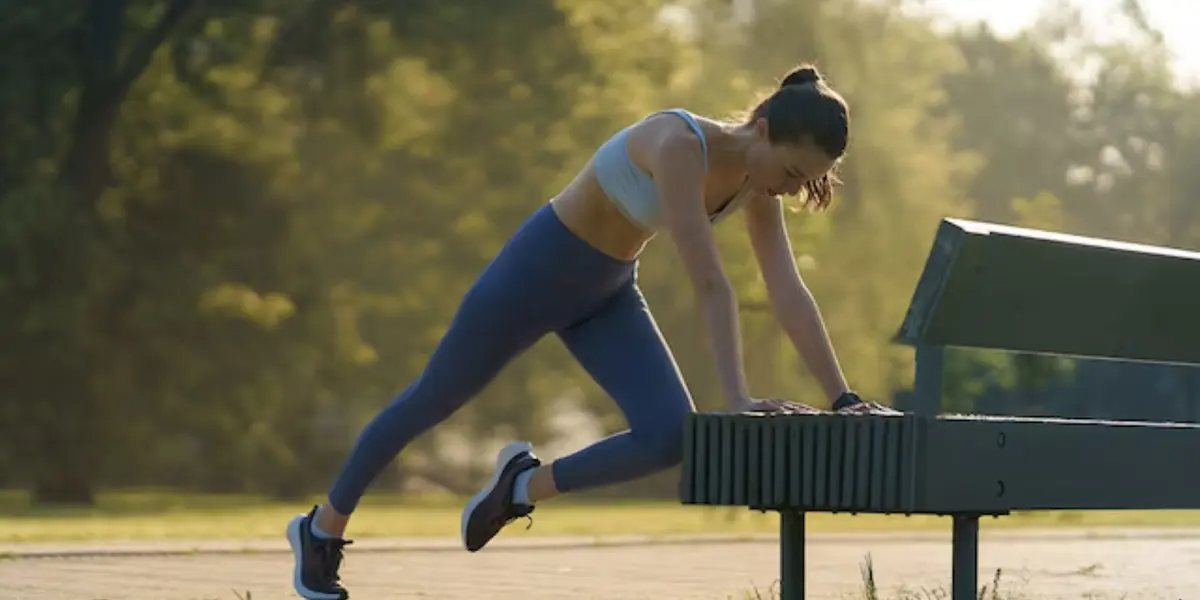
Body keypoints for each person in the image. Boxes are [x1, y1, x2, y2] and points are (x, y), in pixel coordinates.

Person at [286, 62, 895, 600]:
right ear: (761, 129)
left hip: (606, 294)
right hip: (534, 274)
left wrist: (842, 397)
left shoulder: (757, 186)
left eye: (802, 181)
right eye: (791, 172)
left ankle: (520, 486)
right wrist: (735, 396)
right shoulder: (680, 145)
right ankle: (321, 530)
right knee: (431, 400)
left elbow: (787, 289)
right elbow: (710, 282)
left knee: (668, 437)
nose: (791, 190)